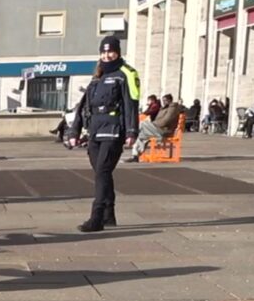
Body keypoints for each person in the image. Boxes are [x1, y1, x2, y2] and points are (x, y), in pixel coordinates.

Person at [67, 35, 139, 233]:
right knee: (101, 173)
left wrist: (132, 131)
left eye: (111, 51)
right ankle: (109, 213)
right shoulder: (97, 76)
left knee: (103, 172)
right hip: (95, 131)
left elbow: (131, 103)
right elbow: (83, 106)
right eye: (104, 52)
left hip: (113, 130)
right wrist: (74, 130)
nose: (107, 55)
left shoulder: (126, 74)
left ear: (118, 52)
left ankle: (96, 217)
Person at [129, 93, 182, 162]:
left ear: (170, 100)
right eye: (163, 100)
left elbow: (165, 121)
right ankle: (135, 155)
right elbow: (157, 119)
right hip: (158, 128)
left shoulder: (173, 108)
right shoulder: (164, 108)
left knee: (141, 124)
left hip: (164, 130)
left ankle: (130, 135)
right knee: (142, 135)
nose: (164, 102)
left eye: (165, 100)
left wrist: (153, 124)